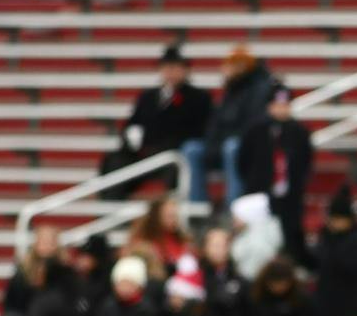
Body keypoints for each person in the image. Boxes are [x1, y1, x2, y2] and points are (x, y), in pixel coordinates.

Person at [115, 44, 213, 200]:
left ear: (185, 70)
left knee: (174, 166)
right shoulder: (147, 97)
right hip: (146, 153)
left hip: (174, 153)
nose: (170, 72)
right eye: (166, 68)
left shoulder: (199, 97)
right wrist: (130, 137)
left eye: (175, 67)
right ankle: (112, 206)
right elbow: (132, 123)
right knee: (115, 160)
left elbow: (200, 130)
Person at [239, 87, 315, 265]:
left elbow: (306, 161)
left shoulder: (299, 132)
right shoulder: (255, 130)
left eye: (285, 105)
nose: (281, 109)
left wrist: (297, 184)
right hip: (260, 194)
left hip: (290, 196)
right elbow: (243, 161)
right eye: (277, 105)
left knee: (291, 234)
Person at [208, 46, 277, 206]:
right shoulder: (231, 89)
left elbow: (252, 125)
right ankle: (198, 202)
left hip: (248, 145)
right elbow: (216, 123)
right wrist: (212, 145)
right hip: (227, 141)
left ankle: (233, 205)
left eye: (229, 65)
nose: (224, 69)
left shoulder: (259, 89)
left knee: (232, 147)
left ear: (241, 66)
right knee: (193, 149)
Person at [311, 190, 357, 316]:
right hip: (326, 305)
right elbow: (316, 263)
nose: (335, 223)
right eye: (333, 219)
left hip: (350, 306)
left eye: (339, 219)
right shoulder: (325, 238)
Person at [121, 194, 191, 283]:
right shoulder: (142, 240)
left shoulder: (181, 239)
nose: (174, 219)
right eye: (169, 216)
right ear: (157, 215)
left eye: (175, 215)